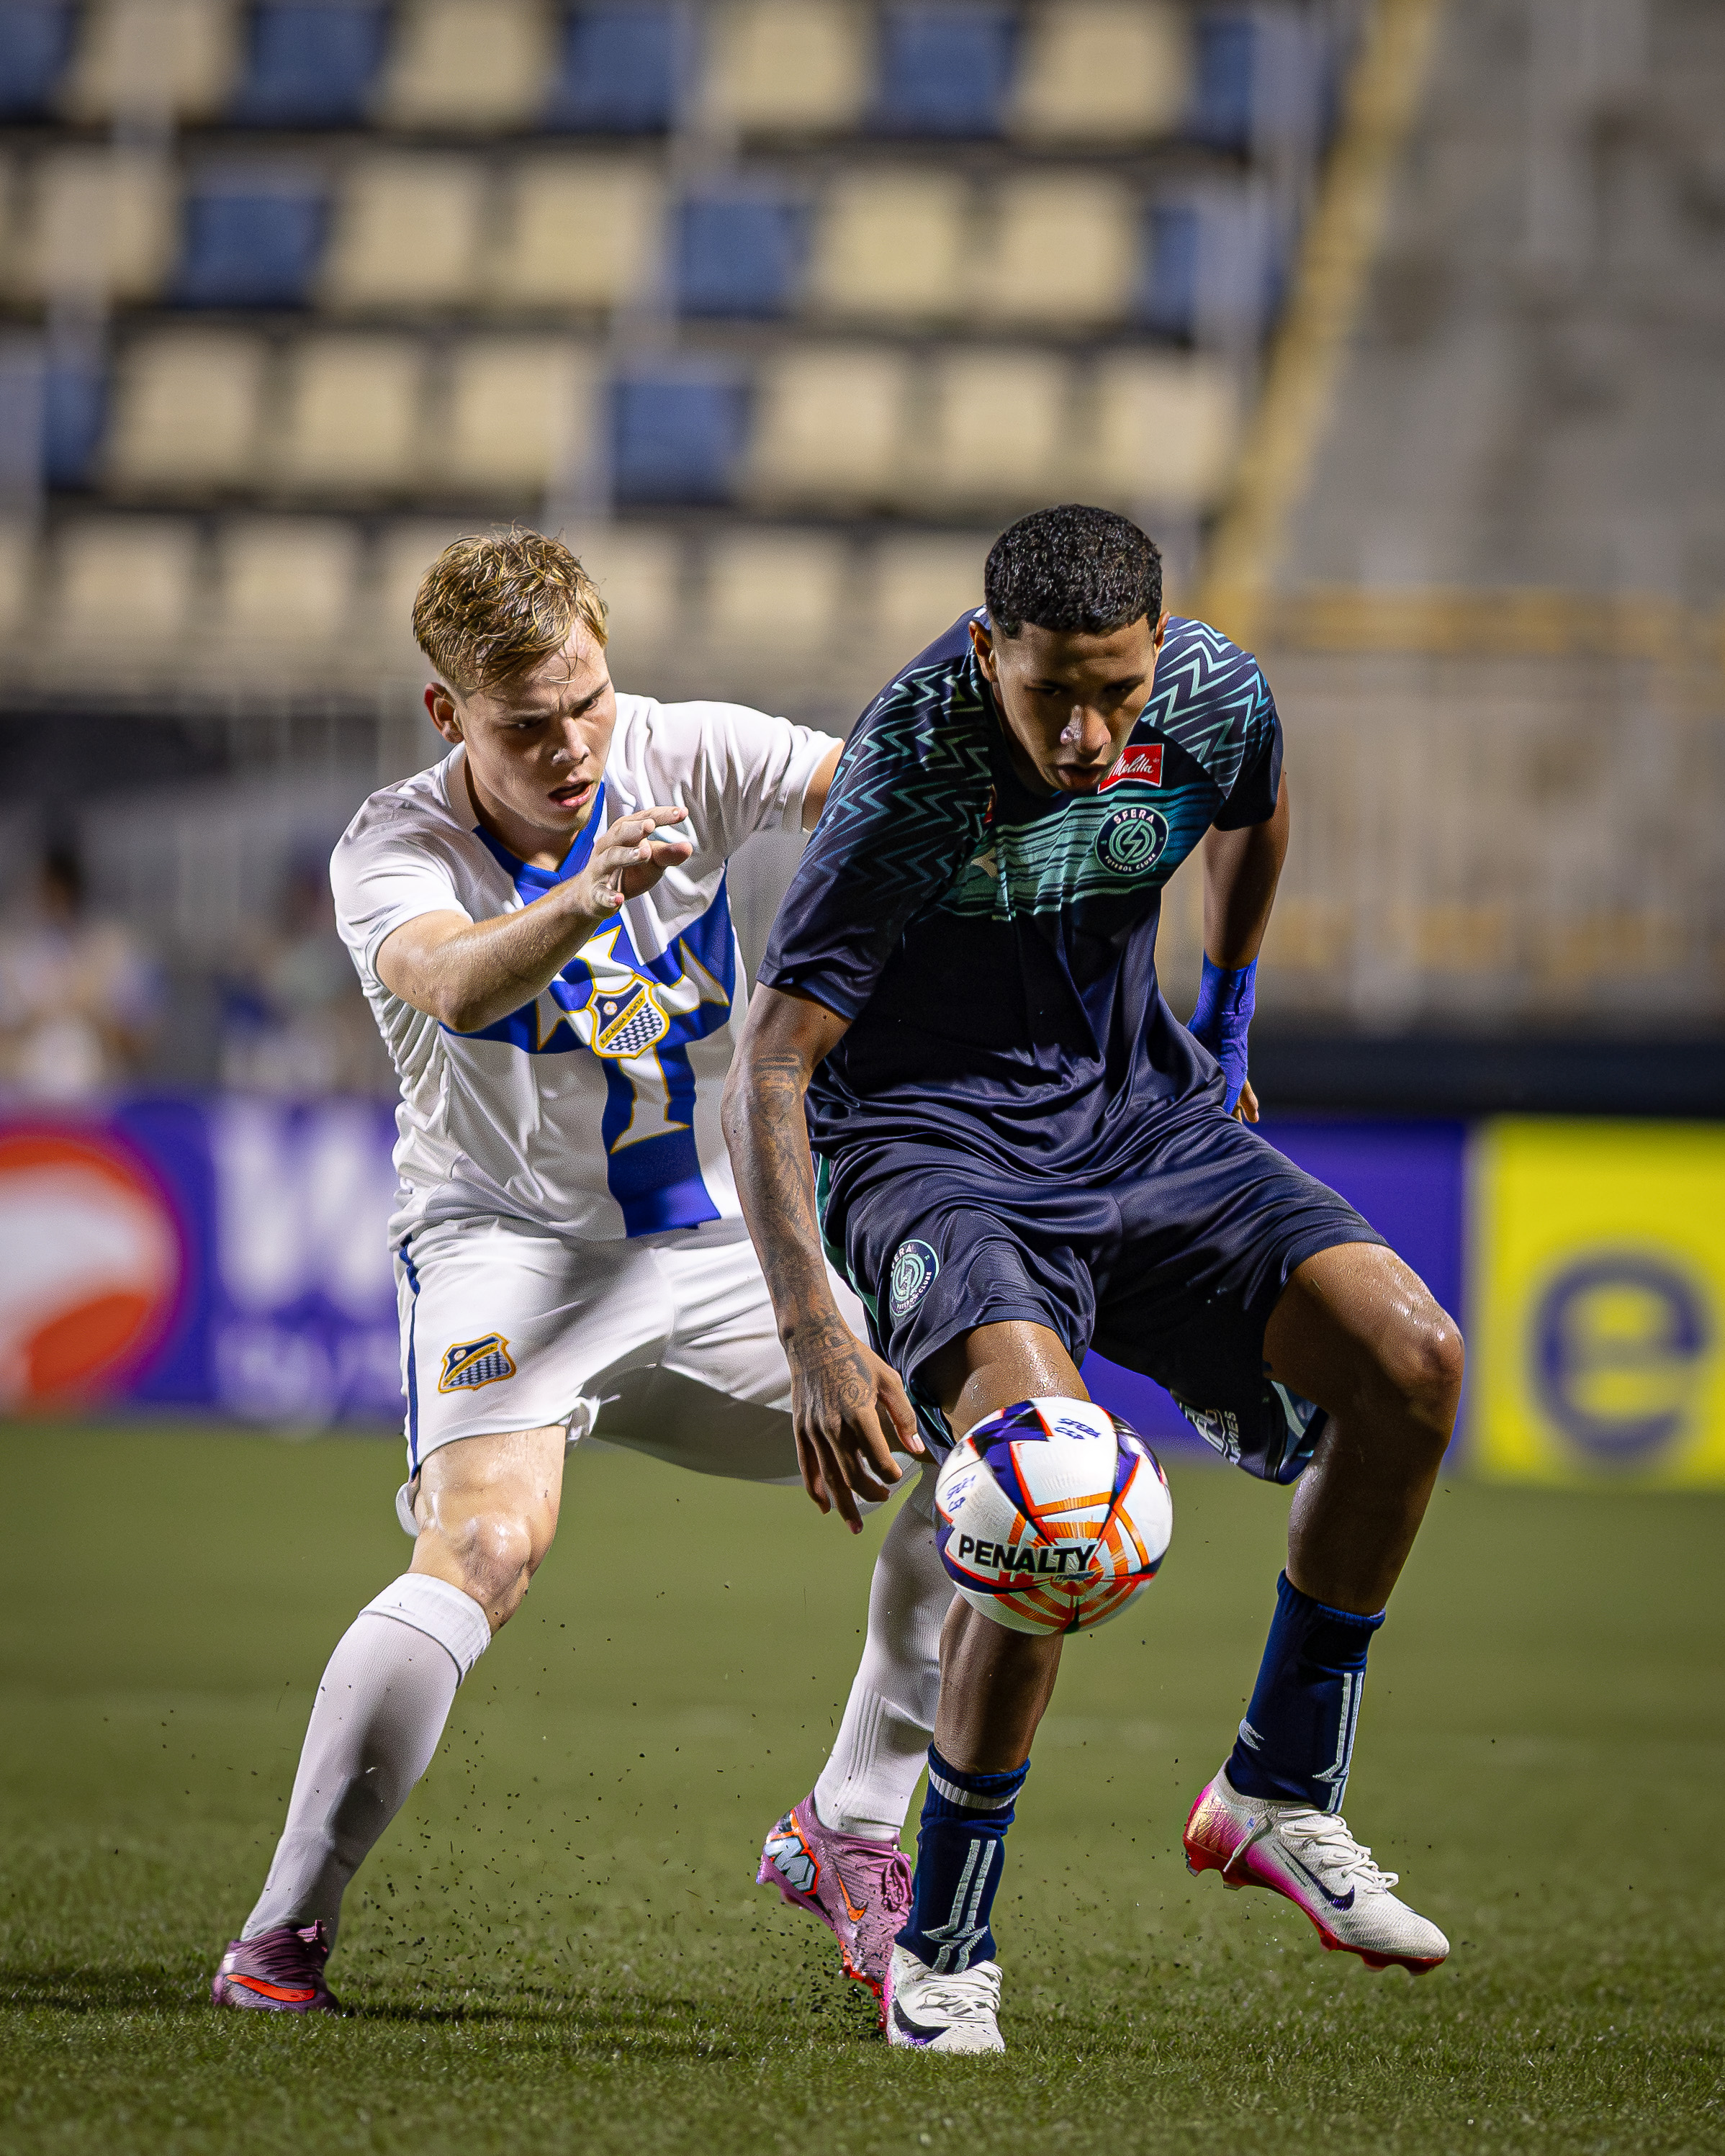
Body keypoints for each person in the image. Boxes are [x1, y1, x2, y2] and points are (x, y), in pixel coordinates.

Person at [725, 505, 1464, 2054]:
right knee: (1048, 1489)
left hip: (1137, 1120)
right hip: (931, 1150)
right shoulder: (913, 765)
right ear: (987, 649)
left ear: (1155, 652)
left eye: (1112, 692)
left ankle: (1276, 1788)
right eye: (1049, 688)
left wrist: (1232, 1030)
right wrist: (811, 1328)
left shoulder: (1208, 696)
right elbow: (775, 1060)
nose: (1083, 730)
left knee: (1411, 1363)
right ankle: (941, 1940)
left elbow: (1256, 810)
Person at [212, 529, 953, 2013]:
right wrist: (578, 896)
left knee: (997, 1474)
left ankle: (851, 1825)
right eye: (525, 725)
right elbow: (447, 980)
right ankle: (281, 1932)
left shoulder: (690, 751)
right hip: (507, 1256)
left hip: (712, 1247)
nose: (570, 747)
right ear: (449, 716)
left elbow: (879, 794)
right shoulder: (392, 845)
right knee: (485, 1547)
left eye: (587, 705)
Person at [0, 846, 159, 1099]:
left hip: (96, 1103)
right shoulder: (11, 953)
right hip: (22, 1106)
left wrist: (91, 1011)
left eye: (62, 892)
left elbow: (140, 1044)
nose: (56, 902)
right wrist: (35, 1016)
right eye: (47, 892)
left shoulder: (112, 950)